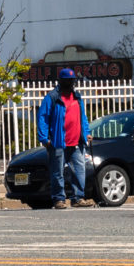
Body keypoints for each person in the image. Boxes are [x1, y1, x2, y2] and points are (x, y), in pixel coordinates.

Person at [35, 68, 87, 207]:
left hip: (76, 142)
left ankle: (78, 198)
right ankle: (59, 199)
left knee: (79, 171)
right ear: (60, 81)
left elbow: (83, 117)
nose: (70, 83)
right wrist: (44, 138)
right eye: (67, 80)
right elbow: (42, 118)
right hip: (58, 142)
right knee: (57, 173)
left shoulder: (77, 97)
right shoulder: (52, 97)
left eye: (72, 80)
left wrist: (86, 133)